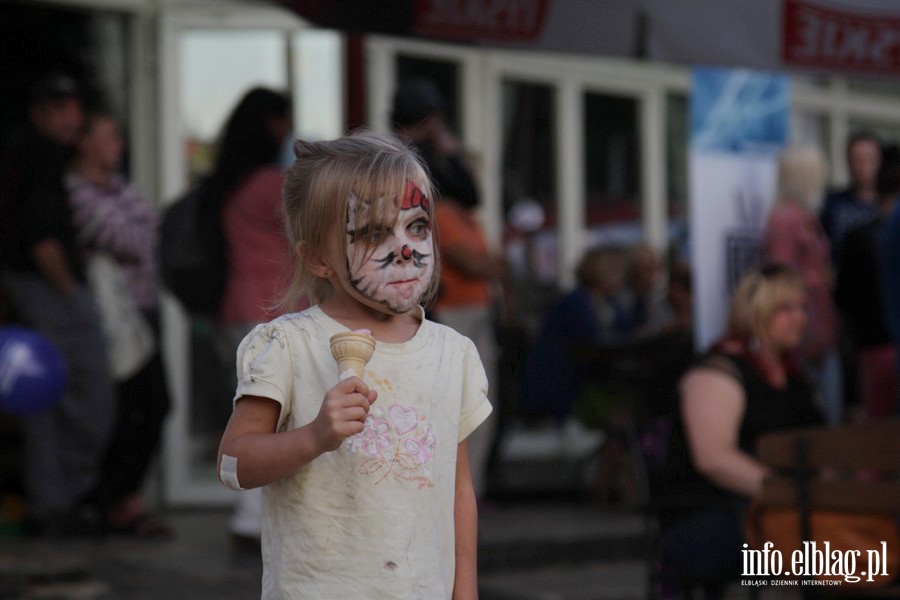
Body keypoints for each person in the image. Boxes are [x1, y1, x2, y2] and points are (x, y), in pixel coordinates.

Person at [216, 131, 491, 598]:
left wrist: (464, 591)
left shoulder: (453, 353)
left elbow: (458, 489)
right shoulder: (289, 344)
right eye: (372, 233)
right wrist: (313, 436)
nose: (405, 248)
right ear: (318, 259)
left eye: (417, 226)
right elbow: (231, 464)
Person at [657, 265, 823, 598]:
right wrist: (796, 494)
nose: (800, 318)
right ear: (756, 311)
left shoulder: (794, 376)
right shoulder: (718, 372)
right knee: (853, 554)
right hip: (714, 516)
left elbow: (821, 447)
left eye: (803, 308)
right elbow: (714, 459)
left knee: (868, 548)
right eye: (785, 309)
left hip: (782, 511)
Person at [0, 73, 116, 535]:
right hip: (47, 291)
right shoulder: (36, 158)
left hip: (42, 291)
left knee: (52, 402)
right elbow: (41, 239)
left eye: (75, 108)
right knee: (81, 399)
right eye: (60, 109)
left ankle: (55, 503)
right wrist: (71, 292)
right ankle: (57, 503)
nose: (73, 118)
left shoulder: (41, 158)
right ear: (39, 114)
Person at [392, 79, 504, 498]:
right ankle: (457, 495)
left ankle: (462, 493)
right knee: (461, 407)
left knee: (468, 405)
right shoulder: (428, 197)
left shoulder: (450, 205)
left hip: (455, 308)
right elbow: (473, 259)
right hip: (448, 308)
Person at [66, 109, 171, 537]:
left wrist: (127, 241)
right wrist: (128, 240)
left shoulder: (119, 188)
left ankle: (121, 498)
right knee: (123, 410)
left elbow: (151, 236)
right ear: (83, 142)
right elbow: (130, 237)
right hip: (109, 321)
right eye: (107, 135)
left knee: (157, 405)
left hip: (144, 310)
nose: (117, 145)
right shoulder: (73, 191)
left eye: (118, 136)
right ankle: (111, 502)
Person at [206, 87, 300, 546]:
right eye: (286, 121)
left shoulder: (230, 182)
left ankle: (250, 515)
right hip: (269, 312)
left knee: (251, 413)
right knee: (271, 418)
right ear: (273, 124)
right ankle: (251, 518)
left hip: (238, 310)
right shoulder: (271, 184)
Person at [764, 146, 842, 424]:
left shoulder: (807, 219)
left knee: (829, 416)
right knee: (813, 419)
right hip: (802, 332)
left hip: (818, 326)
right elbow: (780, 279)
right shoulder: (786, 220)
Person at [836, 144, 899, 420]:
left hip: (872, 346)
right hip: (880, 343)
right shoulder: (879, 234)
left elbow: (843, 296)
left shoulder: (866, 234)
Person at [820, 130, 881, 270]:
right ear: (848, 162)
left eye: (869, 159)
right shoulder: (832, 203)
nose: (864, 166)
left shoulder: (889, 208)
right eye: (857, 159)